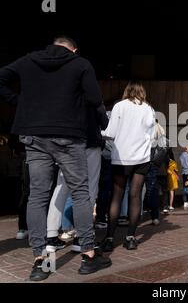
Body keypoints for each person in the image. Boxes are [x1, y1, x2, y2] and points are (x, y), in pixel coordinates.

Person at [0, 36, 111, 281]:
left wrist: (20, 103)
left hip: (33, 134)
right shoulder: (81, 64)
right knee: (80, 192)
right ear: (74, 49)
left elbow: (1, 78)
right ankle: (89, 256)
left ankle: (40, 261)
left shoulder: (29, 60)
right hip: (68, 134)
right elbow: (94, 99)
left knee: (38, 195)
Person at [46, 89, 109, 253]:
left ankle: (51, 236)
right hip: (89, 144)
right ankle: (82, 237)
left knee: (61, 188)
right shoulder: (93, 96)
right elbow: (104, 122)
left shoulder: (63, 95)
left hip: (65, 145)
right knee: (90, 189)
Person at [101, 83, 155, 252]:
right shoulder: (148, 109)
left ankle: (109, 238)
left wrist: (97, 132)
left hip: (121, 158)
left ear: (127, 92)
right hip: (142, 158)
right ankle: (131, 238)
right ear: (142, 93)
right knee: (135, 196)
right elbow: (152, 136)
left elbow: (110, 132)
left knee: (117, 196)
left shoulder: (119, 106)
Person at [146, 122, 169, 225]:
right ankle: (154, 216)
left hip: (144, 164)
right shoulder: (164, 142)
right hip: (155, 166)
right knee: (153, 189)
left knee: (137, 190)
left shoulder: (147, 138)